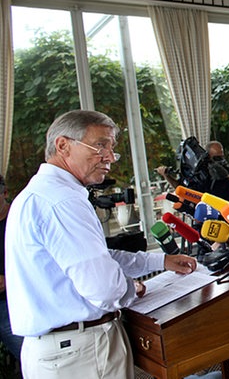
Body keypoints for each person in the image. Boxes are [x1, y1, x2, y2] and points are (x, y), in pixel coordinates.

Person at [5, 110, 198, 379]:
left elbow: (98, 258)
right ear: (63, 145)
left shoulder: (40, 194)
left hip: (63, 350)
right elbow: (104, 288)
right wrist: (132, 287)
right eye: (100, 145)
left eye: (111, 148)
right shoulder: (62, 201)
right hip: (80, 352)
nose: (109, 157)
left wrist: (161, 261)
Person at [157, 140, 229, 201]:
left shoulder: (228, 172)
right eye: (217, 157)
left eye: (222, 156)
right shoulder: (196, 172)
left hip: (226, 215)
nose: (221, 160)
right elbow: (180, 188)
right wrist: (166, 176)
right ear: (208, 156)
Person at [0, 174, 22, 361]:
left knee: (26, 357)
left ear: (4, 193)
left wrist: (9, 279)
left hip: (15, 303)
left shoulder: (19, 218)